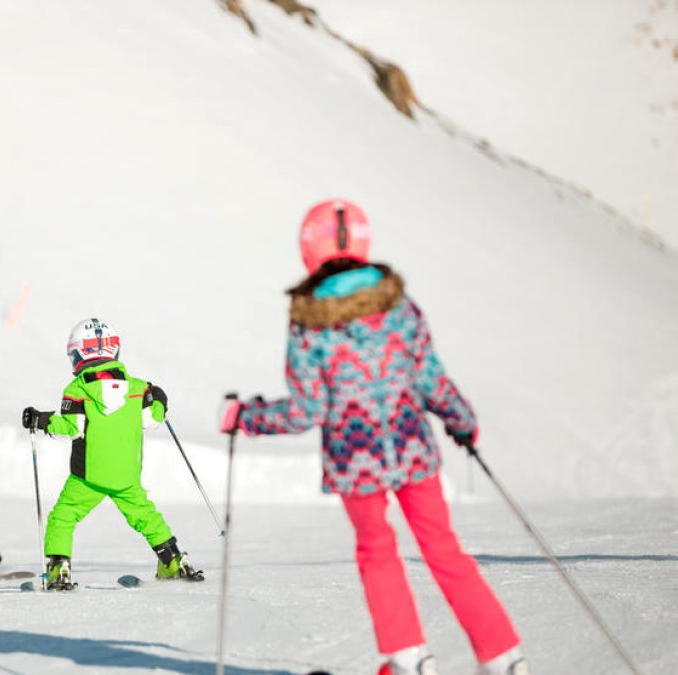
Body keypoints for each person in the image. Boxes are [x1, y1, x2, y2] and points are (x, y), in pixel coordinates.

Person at [220, 200, 529, 675]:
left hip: (354, 459)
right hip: (412, 449)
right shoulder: (398, 306)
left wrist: (247, 417)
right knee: (443, 548)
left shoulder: (309, 320)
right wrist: (461, 420)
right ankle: (503, 656)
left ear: (309, 249)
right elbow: (430, 378)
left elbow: (307, 410)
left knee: (376, 548)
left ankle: (408, 658)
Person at [22, 317, 204, 591]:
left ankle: (59, 568)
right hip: (127, 475)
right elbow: (153, 419)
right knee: (145, 516)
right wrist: (160, 399)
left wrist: (40, 420)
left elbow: (69, 428)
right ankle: (174, 562)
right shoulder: (138, 388)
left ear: (79, 354)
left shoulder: (78, 390)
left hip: (89, 477)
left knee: (64, 515)